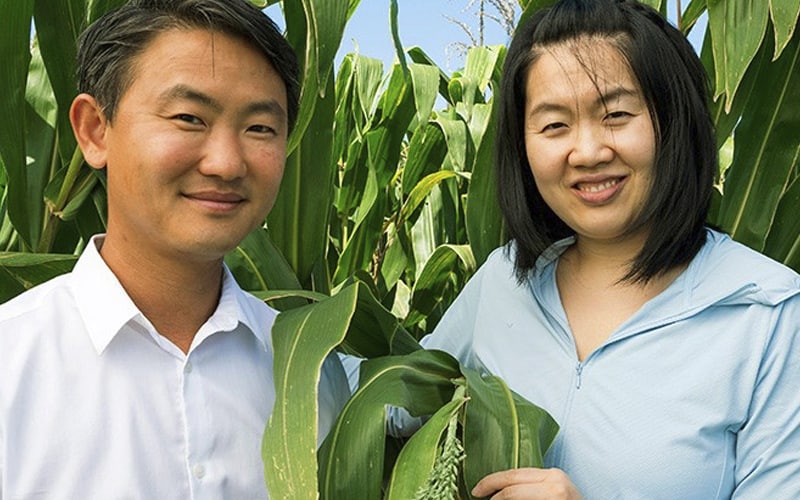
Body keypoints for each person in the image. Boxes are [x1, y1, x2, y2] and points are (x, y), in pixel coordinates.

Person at [415, 0, 800, 498]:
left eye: (616, 114)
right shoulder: (503, 280)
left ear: (673, 122)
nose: (589, 151)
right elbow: (390, 401)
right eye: (554, 125)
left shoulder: (767, 313)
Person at [0, 0, 349, 498]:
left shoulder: (310, 372)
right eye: (189, 117)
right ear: (95, 130)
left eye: (259, 128)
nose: (226, 163)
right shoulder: (10, 364)